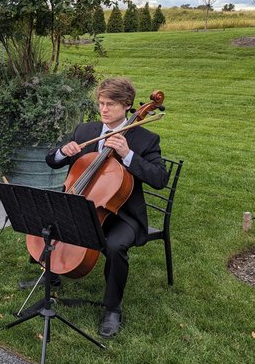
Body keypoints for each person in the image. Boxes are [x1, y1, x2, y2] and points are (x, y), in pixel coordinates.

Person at [46, 77, 169, 338]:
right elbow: (52, 161)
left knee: (114, 246)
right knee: (46, 219)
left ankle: (112, 308)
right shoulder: (85, 131)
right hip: (83, 205)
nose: (103, 109)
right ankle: (51, 277)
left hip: (123, 215)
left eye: (110, 104)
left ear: (127, 105)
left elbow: (160, 179)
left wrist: (127, 155)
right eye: (101, 103)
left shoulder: (145, 139)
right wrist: (62, 152)